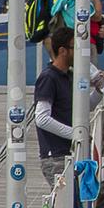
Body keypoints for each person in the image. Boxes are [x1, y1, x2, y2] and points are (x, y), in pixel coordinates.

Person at [34, 25, 77, 188]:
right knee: (64, 205)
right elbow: (42, 118)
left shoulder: (70, 76)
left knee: (72, 205)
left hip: (69, 153)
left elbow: (83, 107)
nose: (78, 52)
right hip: (55, 156)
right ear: (63, 50)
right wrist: (74, 134)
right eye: (75, 47)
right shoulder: (49, 78)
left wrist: (100, 89)